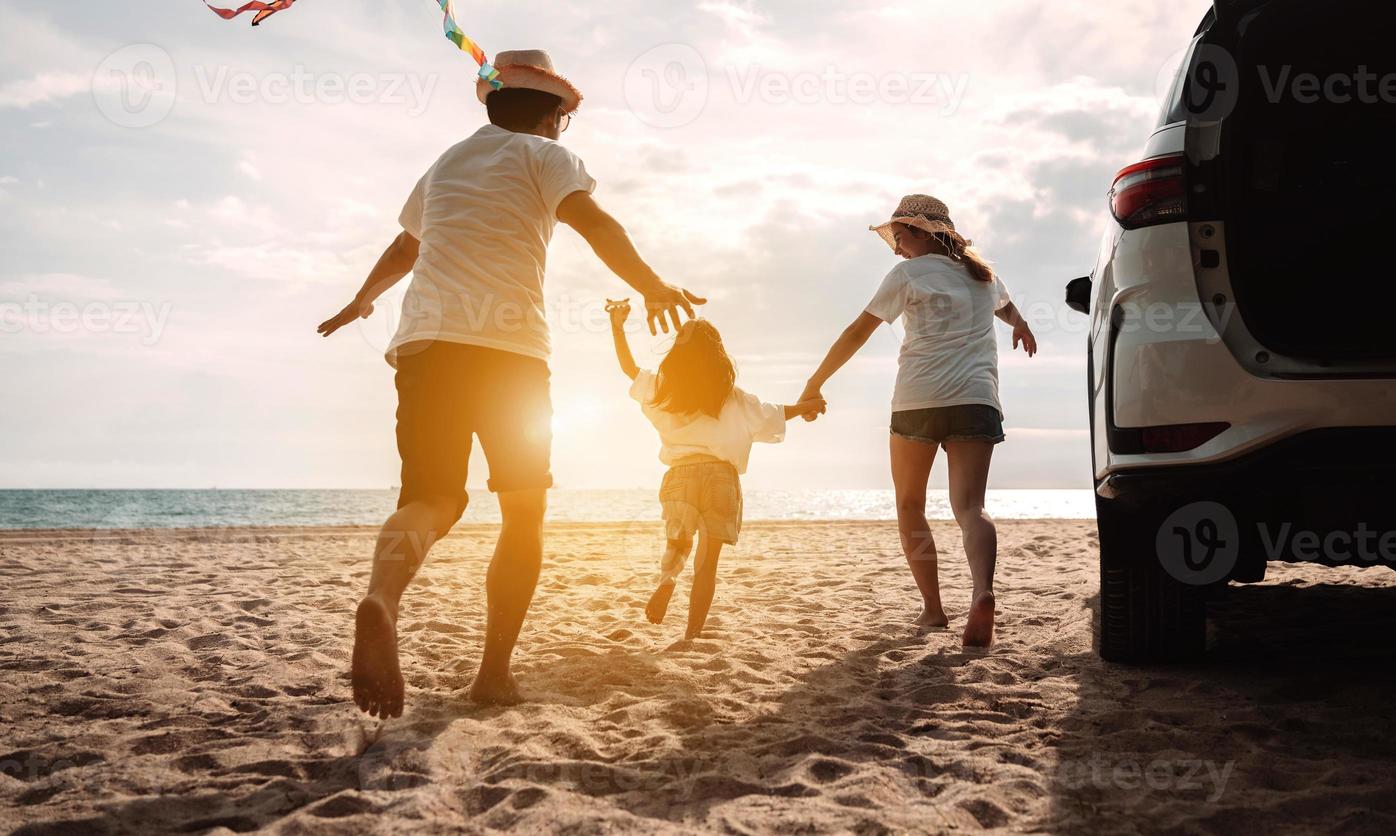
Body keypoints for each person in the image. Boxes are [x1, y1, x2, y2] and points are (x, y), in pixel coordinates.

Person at [317, 51, 703, 717]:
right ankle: (493, 673)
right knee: (524, 511)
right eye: (565, 118)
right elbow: (596, 224)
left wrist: (362, 299)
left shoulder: (446, 164)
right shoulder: (547, 157)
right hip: (511, 352)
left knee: (433, 495)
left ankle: (382, 598)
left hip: (426, 345)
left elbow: (406, 247)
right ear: (553, 115)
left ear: (492, 105)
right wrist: (652, 286)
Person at [799, 195, 1037, 648]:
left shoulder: (908, 274)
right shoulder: (982, 275)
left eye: (901, 237)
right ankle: (983, 592)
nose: (896, 249)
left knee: (910, 505)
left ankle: (932, 610)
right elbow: (1003, 305)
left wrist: (815, 382)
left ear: (925, 233)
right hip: (976, 400)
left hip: (918, 402)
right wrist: (1021, 324)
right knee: (971, 508)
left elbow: (857, 332)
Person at [605, 299, 826, 640]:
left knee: (678, 543)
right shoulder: (730, 395)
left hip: (681, 475)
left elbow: (628, 368)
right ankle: (691, 634)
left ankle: (667, 581)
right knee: (707, 565)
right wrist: (808, 406)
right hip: (721, 478)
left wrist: (617, 327)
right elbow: (773, 413)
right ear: (717, 353)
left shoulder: (664, 387)